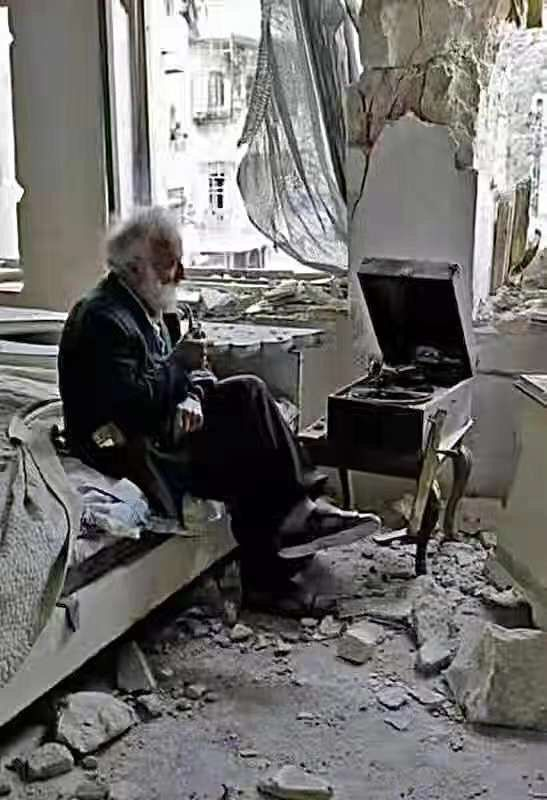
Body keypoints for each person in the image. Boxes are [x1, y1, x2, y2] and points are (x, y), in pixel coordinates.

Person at [58, 207, 380, 614]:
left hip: (163, 423)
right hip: (127, 447)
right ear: (136, 267)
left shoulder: (149, 305)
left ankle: (296, 523)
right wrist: (180, 366)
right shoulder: (101, 318)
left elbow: (196, 370)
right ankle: (278, 563)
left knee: (248, 393)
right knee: (247, 448)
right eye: (170, 265)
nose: (181, 275)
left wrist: (192, 395)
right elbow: (131, 406)